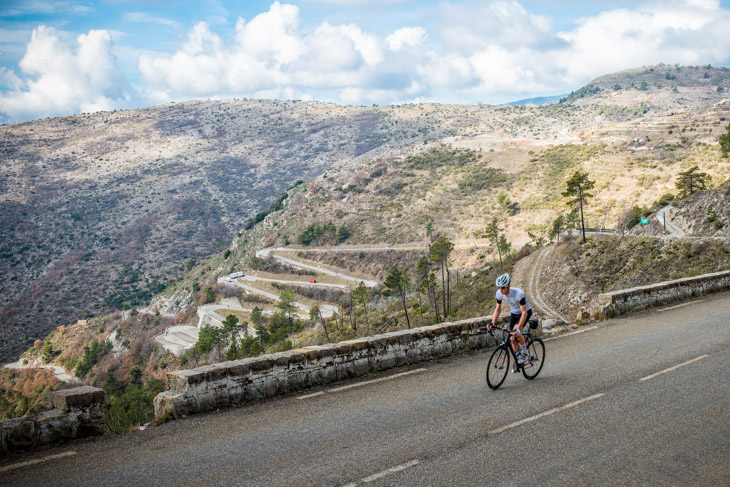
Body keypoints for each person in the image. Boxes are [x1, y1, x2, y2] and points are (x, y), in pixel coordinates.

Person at [487, 273, 533, 372]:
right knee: (512, 339)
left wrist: (518, 327)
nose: (500, 290)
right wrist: (492, 323)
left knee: (516, 334)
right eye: (499, 287)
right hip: (514, 313)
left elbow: (524, 312)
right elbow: (498, 309)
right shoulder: (499, 293)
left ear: (508, 286)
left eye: (503, 287)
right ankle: (518, 361)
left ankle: (524, 354)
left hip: (525, 312)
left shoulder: (519, 294)